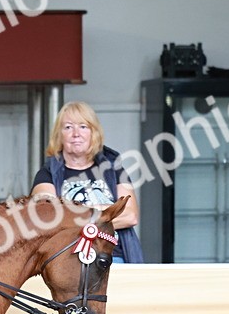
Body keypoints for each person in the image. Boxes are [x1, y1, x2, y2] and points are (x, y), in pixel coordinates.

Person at [29, 101, 144, 263]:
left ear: (93, 133)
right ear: (59, 135)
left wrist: (74, 213)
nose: (76, 133)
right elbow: (48, 218)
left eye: (83, 126)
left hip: (114, 256)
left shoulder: (114, 169)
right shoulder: (47, 174)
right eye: (68, 127)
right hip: (68, 260)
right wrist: (107, 211)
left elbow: (130, 216)